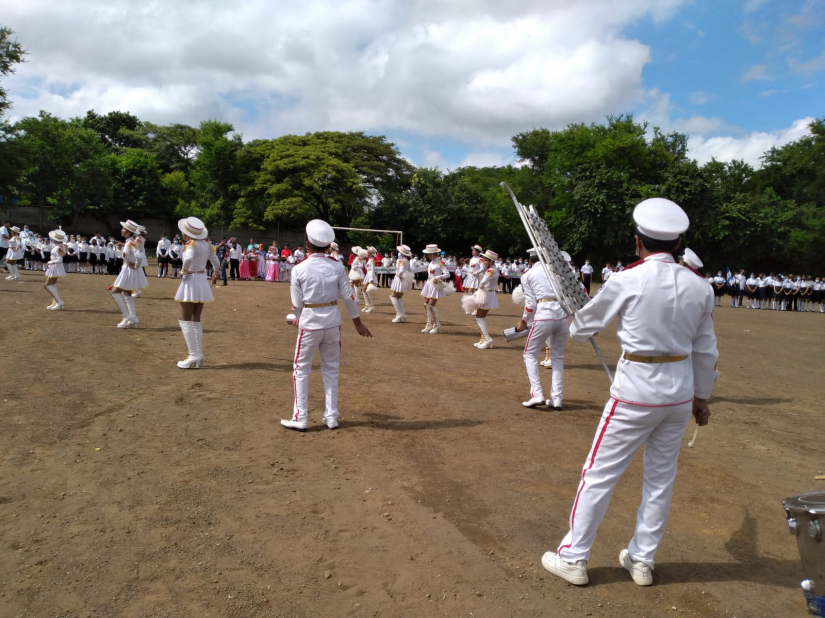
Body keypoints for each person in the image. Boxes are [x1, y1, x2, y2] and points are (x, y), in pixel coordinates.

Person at [541, 197, 718, 588]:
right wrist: (701, 398)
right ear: (677, 243)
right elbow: (707, 350)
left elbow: (583, 328)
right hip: (679, 393)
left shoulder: (626, 279)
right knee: (660, 480)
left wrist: (574, 312)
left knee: (599, 474)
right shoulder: (700, 287)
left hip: (636, 390)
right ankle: (642, 559)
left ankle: (573, 556)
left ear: (637, 241)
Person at [281, 220, 372, 432]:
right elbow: (349, 298)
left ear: (307, 244)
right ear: (328, 246)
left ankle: (300, 416)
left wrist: (297, 318)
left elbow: (297, 303)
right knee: (331, 370)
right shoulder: (338, 266)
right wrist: (358, 323)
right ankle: (331, 416)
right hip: (332, 322)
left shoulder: (299, 269)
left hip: (309, 322)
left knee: (301, 370)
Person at [517, 250, 569, 409]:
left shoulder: (527, 275)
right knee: (557, 358)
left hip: (544, 314)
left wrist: (524, 320)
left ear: (530, 261)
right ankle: (557, 398)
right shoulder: (556, 270)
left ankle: (537, 394)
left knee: (529, 354)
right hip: (563, 315)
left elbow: (530, 303)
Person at [174, 217, 220, 369]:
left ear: (188, 234)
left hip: (191, 280)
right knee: (196, 319)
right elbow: (216, 261)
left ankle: (194, 355)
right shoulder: (207, 244)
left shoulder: (191, 244)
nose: (182, 233)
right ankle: (198, 354)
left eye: (183, 232)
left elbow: (187, 259)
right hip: (201, 279)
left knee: (184, 318)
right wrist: (216, 273)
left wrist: (183, 271)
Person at [109, 220, 148, 328]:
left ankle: (126, 316)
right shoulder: (129, 242)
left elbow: (139, 256)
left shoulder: (131, 242)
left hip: (129, 270)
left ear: (129, 231)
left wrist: (136, 265)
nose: (121, 230)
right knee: (127, 293)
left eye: (123, 228)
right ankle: (133, 318)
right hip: (127, 269)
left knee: (115, 291)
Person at [468, 250, 500, 349]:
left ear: (491, 261)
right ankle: (484, 339)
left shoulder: (491, 270)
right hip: (487, 293)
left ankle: (487, 338)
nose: (484, 262)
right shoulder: (491, 269)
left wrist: (480, 287)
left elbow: (483, 281)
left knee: (479, 316)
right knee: (481, 316)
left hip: (486, 294)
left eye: (485, 260)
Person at [420, 244, 451, 334]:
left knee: (431, 305)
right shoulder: (431, 262)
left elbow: (447, 274)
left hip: (435, 284)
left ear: (434, 254)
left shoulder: (440, 262)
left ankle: (436, 325)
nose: (427, 255)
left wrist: (438, 277)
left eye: (429, 254)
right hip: (429, 283)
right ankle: (428, 324)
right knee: (426, 304)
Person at [44, 229, 69, 310]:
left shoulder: (58, 248)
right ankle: (55, 302)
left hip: (55, 267)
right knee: (52, 284)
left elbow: (59, 260)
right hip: (55, 267)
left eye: (54, 239)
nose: (52, 240)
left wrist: (50, 262)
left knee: (47, 285)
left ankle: (59, 301)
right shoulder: (62, 246)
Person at [389, 244, 414, 322]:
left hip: (399, 279)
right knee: (399, 297)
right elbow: (409, 270)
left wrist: (399, 274)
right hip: (402, 279)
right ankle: (402, 315)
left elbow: (401, 270)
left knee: (393, 296)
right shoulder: (406, 260)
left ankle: (399, 314)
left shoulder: (402, 260)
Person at [361, 246, 378, 312]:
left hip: (370, 275)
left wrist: (371, 279)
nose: (367, 253)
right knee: (364, 290)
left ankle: (371, 307)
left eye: (368, 252)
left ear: (371, 253)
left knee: (367, 291)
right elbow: (367, 268)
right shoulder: (369, 259)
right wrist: (364, 262)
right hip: (368, 275)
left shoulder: (372, 260)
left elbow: (372, 269)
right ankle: (367, 305)